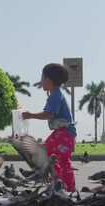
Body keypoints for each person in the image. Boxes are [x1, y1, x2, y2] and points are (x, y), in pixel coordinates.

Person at [22, 63, 76, 191]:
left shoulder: (56, 95)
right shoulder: (54, 93)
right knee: (51, 156)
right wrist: (42, 84)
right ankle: (57, 183)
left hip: (65, 133)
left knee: (59, 160)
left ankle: (68, 188)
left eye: (42, 78)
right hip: (61, 133)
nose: (41, 82)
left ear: (48, 80)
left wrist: (30, 115)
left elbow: (48, 114)